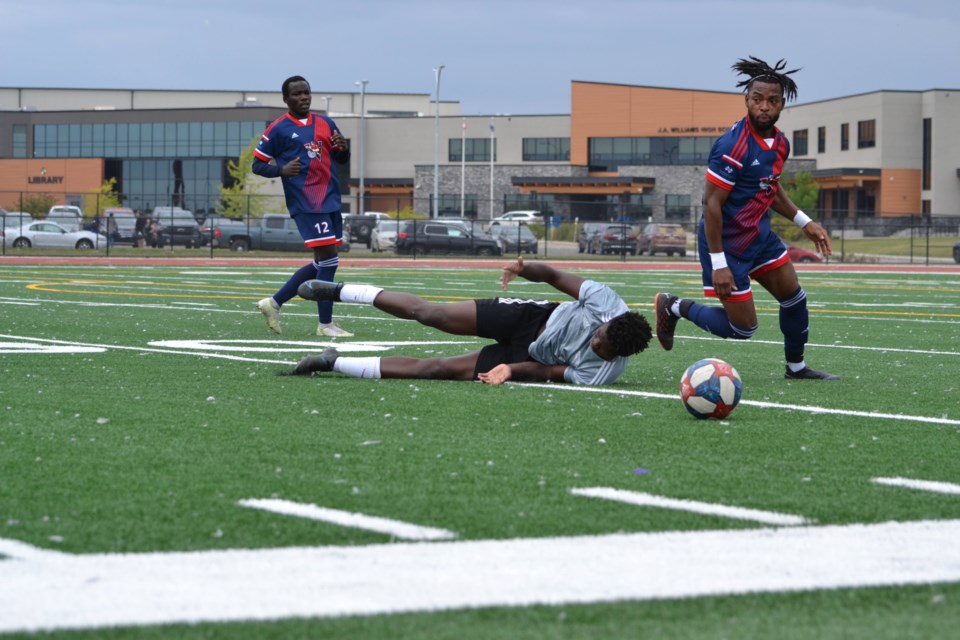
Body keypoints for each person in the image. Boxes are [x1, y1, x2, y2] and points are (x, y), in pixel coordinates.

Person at [655, 56, 839, 380]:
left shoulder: (781, 143)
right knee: (743, 329)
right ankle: (673, 306)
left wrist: (804, 221)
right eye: (757, 99)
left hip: (759, 236)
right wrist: (719, 264)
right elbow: (711, 204)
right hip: (726, 244)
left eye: (772, 100)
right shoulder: (732, 145)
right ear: (747, 100)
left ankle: (795, 367)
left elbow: (770, 188)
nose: (764, 106)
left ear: (783, 103)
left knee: (794, 298)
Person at [287, 256, 652, 385]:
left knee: (437, 370)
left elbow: (547, 373)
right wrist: (525, 270)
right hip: (528, 316)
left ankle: (333, 361)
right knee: (432, 314)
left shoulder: (603, 374)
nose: (595, 343)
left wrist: (510, 368)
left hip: (532, 357)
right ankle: (336, 291)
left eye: (601, 349)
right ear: (606, 323)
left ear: (618, 356)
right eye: (598, 335)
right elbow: (556, 277)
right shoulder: (606, 303)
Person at [252, 75, 352, 337]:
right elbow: (257, 165)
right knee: (329, 260)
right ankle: (325, 324)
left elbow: (341, 158)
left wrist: (343, 149)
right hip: (306, 202)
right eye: (296, 94)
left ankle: (273, 303)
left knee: (324, 262)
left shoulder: (325, 123)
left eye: (306, 92)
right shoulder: (278, 129)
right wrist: (281, 169)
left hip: (330, 199)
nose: (303, 97)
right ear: (286, 99)